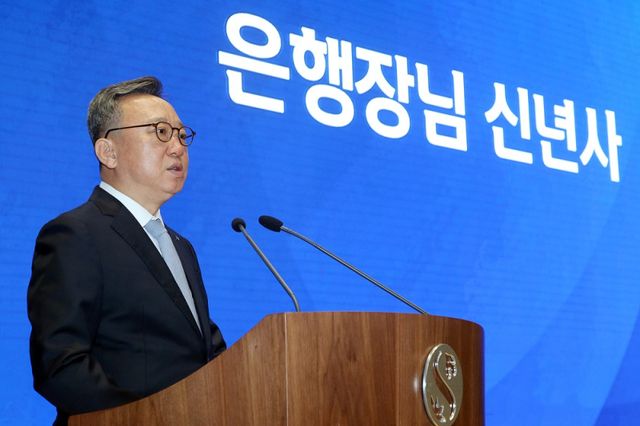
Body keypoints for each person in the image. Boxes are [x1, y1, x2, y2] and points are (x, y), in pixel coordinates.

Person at [27, 76, 226, 425]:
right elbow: (60, 364)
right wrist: (147, 419)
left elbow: (206, 353)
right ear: (108, 152)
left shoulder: (182, 247)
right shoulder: (75, 234)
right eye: (160, 132)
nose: (177, 147)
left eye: (182, 135)